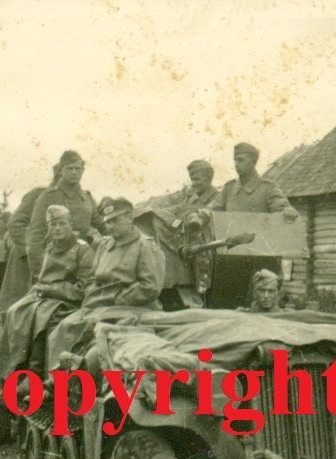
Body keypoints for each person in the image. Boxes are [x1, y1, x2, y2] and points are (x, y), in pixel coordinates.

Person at [46, 197, 166, 368]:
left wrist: (114, 299)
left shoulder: (145, 245)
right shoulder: (105, 245)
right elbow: (94, 277)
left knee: (86, 333)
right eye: (108, 222)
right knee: (63, 328)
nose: (110, 226)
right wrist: (93, 294)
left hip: (134, 307)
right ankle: (58, 378)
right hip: (101, 305)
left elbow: (150, 287)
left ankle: (76, 376)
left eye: (115, 221)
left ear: (129, 218)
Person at [0, 205, 94, 377]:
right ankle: (12, 370)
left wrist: (52, 290)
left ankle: (36, 371)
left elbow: (84, 288)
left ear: (70, 225)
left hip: (68, 300)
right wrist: (39, 291)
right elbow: (44, 279)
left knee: (42, 317)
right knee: (15, 311)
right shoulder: (51, 247)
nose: (57, 228)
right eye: (53, 224)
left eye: (62, 224)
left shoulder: (82, 249)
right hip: (46, 297)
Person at [137, 159, 218, 310]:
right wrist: (159, 214)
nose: (194, 183)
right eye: (192, 179)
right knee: (154, 220)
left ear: (208, 178)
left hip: (198, 240)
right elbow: (175, 209)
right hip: (181, 235)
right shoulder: (192, 197)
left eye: (197, 179)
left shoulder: (216, 199)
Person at [26, 150, 104, 281]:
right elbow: (35, 236)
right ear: (62, 170)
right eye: (69, 168)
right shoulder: (48, 197)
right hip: (56, 264)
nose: (74, 172)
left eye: (77, 169)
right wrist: (39, 272)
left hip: (83, 261)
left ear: (83, 171)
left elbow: (102, 225)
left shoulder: (86, 198)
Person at [0, 167, 60, 314]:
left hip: (54, 258)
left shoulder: (73, 199)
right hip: (26, 259)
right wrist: (33, 250)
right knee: (17, 308)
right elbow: (15, 224)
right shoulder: (38, 195)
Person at [206, 142, 300, 222]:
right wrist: (202, 214)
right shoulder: (229, 189)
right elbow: (212, 209)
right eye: (235, 160)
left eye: (241, 160)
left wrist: (287, 211)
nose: (236, 164)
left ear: (253, 162)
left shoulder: (268, 188)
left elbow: (281, 207)